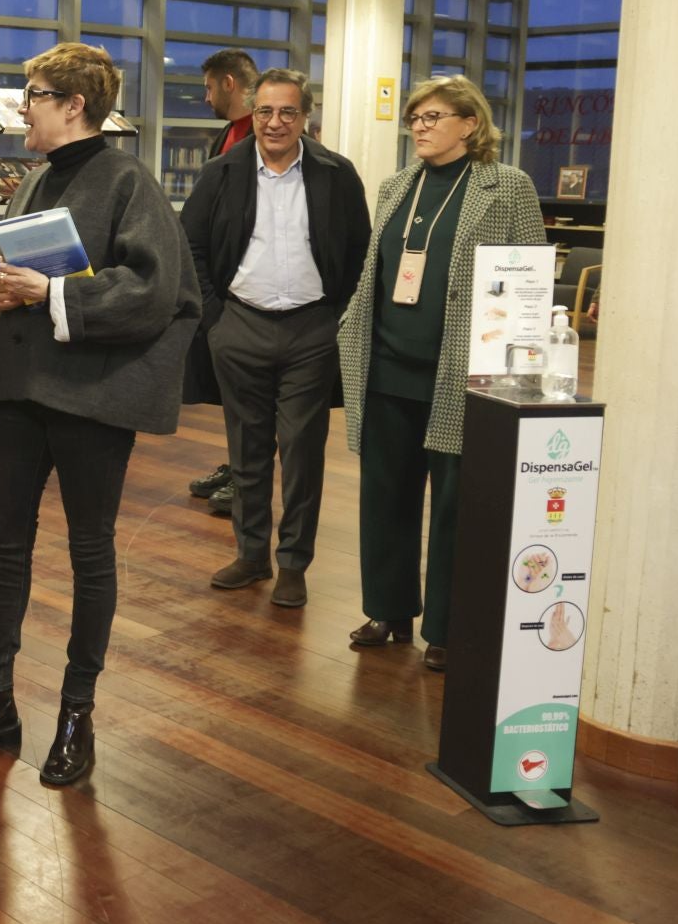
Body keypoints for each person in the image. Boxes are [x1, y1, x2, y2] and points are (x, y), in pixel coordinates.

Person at [0, 42, 200, 786]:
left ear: (74, 105)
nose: (22, 106)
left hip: (92, 397)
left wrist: (50, 296)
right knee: (4, 548)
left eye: (33, 93)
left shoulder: (128, 181)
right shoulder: (35, 180)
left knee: (90, 552)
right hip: (23, 389)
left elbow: (156, 289)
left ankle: (78, 715)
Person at [338, 75, 545, 673]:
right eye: (415, 119)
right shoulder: (397, 185)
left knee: (456, 505)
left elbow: (531, 273)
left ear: (469, 124)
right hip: (386, 366)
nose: (421, 128)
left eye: (433, 117)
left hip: (462, 373)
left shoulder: (506, 187)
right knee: (385, 496)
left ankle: (448, 629)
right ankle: (387, 608)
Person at [180, 69, 369, 608]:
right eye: (265, 111)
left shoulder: (337, 173)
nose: (275, 122)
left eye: (287, 112)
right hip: (240, 326)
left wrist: (338, 319)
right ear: (252, 113)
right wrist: (216, 320)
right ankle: (250, 554)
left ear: (305, 117)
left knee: (304, 453)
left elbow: (361, 253)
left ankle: (293, 564)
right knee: (247, 450)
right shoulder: (221, 172)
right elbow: (190, 246)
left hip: (313, 330)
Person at [183, 48, 260, 516]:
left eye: (210, 87)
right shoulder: (225, 137)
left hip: (250, 284)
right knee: (232, 387)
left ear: (229, 83)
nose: (206, 96)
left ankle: (249, 475)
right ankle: (237, 465)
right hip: (220, 284)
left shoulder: (258, 137)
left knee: (251, 391)